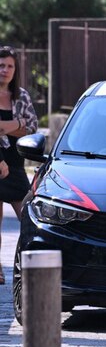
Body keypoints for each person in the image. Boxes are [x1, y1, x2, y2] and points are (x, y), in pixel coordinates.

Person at [0, 46, 38, 284]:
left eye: (10, 66)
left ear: (16, 70)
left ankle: (31, 267)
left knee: (28, 218)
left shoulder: (21, 96)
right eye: (1, 65)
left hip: (15, 166)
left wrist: (9, 125)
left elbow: (32, 127)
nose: (5, 70)